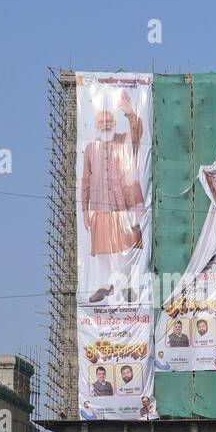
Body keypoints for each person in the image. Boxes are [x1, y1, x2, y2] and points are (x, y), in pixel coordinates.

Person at [80, 92, 145, 305]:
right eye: (101, 121)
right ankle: (105, 285)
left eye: (109, 120)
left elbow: (137, 133)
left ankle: (125, 285)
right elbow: (86, 181)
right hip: (100, 207)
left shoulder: (124, 141)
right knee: (103, 250)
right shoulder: (91, 148)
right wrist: (84, 210)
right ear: (96, 125)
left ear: (115, 122)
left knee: (124, 248)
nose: (105, 124)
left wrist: (130, 113)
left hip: (124, 205)